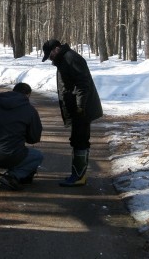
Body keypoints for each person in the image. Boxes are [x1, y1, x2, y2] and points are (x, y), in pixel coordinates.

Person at [41, 39, 103, 187]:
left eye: (50, 54)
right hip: (76, 108)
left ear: (56, 49)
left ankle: (78, 176)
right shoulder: (64, 59)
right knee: (77, 140)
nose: (50, 58)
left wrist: (80, 107)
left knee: (80, 140)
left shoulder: (71, 58)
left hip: (82, 109)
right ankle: (78, 174)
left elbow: (83, 84)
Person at [0, 82, 43, 191]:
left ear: (13, 91)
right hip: (9, 155)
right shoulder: (30, 110)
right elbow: (34, 138)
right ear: (27, 95)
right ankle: (13, 176)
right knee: (37, 156)